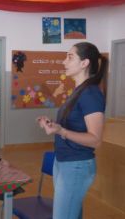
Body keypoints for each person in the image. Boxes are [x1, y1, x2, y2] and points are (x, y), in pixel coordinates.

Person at [37, 42, 107, 219]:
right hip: (64, 162)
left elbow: (95, 139)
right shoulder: (79, 91)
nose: (64, 62)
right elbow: (71, 126)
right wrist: (53, 126)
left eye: (70, 57)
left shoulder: (91, 94)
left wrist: (62, 131)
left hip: (76, 165)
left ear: (84, 63)